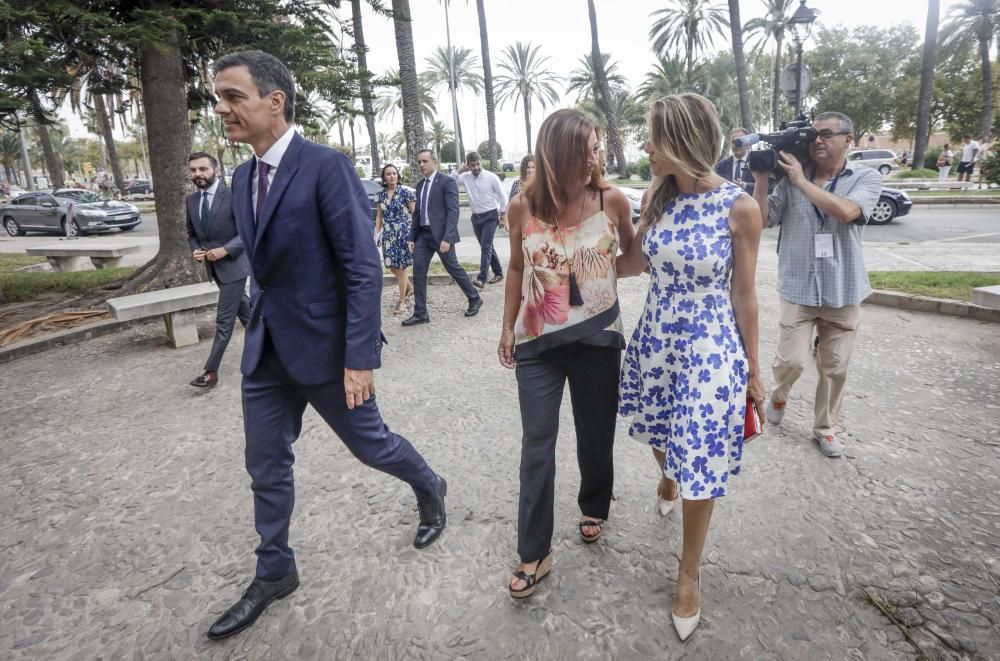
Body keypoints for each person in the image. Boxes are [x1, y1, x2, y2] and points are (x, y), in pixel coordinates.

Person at [207, 50, 447, 640]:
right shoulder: (240, 177)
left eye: (233, 97)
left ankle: (429, 485)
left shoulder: (325, 167)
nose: (222, 110)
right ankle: (275, 571)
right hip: (265, 351)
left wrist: (359, 357)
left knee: (373, 447)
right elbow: (262, 249)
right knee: (265, 463)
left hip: (326, 351)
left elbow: (362, 269)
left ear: (274, 101)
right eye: (218, 98)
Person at [617, 93, 763, 641]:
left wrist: (752, 368)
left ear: (682, 141)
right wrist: (572, 257)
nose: (647, 147)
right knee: (661, 437)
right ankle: (667, 476)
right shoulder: (655, 199)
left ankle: (688, 571)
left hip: (710, 347)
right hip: (656, 339)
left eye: (654, 137)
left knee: (697, 453)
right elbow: (631, 265)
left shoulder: (738, 206)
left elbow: (746, 295)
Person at [498, 109, 635, 600]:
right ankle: (534, 550)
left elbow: (634, 258)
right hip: (538, 342)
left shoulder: (611, 200)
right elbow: (515, 268)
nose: (598, 156)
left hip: (597, 339)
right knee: (537, 442)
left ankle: (593, 502)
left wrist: (596, 270)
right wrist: (507, 327)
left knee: (595, 435)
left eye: (599, 147)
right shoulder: (522, 206)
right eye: (590, 148)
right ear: (562, 154)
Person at [750, 111, 882, 459]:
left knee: (834, 367)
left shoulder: (864, 177)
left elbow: (847, 212)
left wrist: (800, 181)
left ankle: (824, 428)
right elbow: (762, 220)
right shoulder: (789, 180)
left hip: (843, 288)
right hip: (798, 287)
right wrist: (762, 180)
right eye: (814, 136)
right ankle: (780, 394)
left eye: (827, 134)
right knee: (791, 361)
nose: (818, 141)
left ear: (848, 140)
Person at [186, 151, 251, 388]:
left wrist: (226, 249)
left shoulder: (233, 196)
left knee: (224, 320)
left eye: (203, 169)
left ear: (216, 170)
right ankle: (280, 350)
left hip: (235, 267)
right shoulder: (191, 201)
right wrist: (195, 250)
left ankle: (211, 371)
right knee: (250, 316)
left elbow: (247, 232)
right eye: (193, 170)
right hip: (214, 270)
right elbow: (192, 234)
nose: (198, 174)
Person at [403, 149, 483, 326]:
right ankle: (420, 313)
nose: (421, 165)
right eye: (419, 162)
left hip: (441, 236)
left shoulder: (446, 182)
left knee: (453, 268)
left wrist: (447, 238)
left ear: (434, 162)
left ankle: (474, 297)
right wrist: (411, 237)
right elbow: (417, 214)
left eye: (425, 161)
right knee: (418, 272)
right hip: (423, 235)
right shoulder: (420, 185)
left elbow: (453, 211)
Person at [453, 151, 507, 289]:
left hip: (490, 216)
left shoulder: (491, 177)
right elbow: (449, 180)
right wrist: (460, 169)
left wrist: (503, 216)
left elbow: (503, 197)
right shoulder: (465, 177)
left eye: (478, 164)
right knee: (487, 246)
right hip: (476, 218)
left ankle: (482, 278)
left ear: (481, 162)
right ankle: (499, 272)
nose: (476, 167)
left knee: (485, 246)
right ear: (468, 165)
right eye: (472, 165)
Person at [374, 163, 416, 315]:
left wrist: (414, 236)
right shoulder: (380, 195)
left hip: (404, 233)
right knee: (391, 266)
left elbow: (415, 214)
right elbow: (379, 216)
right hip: (388, 235)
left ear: (398, 176)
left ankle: (402, 301)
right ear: (384, 178)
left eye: (394, 173)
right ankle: (410, 288)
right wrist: (376, 235)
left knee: (401, 267)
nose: (392, 176)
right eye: (388, 174)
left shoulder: (406, 193)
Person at [714, 127, 757, 194]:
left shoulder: (756, 162)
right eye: (733, 142)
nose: (736, 144)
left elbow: (765, 186)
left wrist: (745, 185)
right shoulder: (722, 165)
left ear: (748, 144)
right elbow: (716, 186)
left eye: (740, 141)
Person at [506, 153, 535, 222]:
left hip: (535, 221)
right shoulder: (516, 183)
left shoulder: (540, 184)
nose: (530, 170)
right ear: (523, 168)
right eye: (528, 167)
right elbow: (510, 202)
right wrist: (506, 219)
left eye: (533, 167)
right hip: (519, 220)